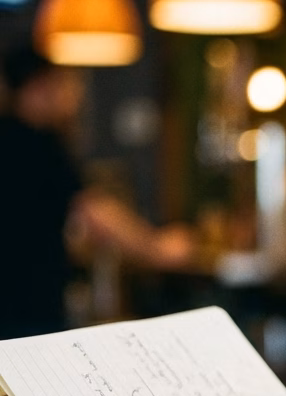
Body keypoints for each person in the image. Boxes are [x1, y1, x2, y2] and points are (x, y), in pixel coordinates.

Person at [0, 43, 194, 339]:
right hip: (27, 310)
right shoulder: (39, 143)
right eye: (64, 83)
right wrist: (157, 248)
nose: (73, 96)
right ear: (40, 86)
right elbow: (95, 211)